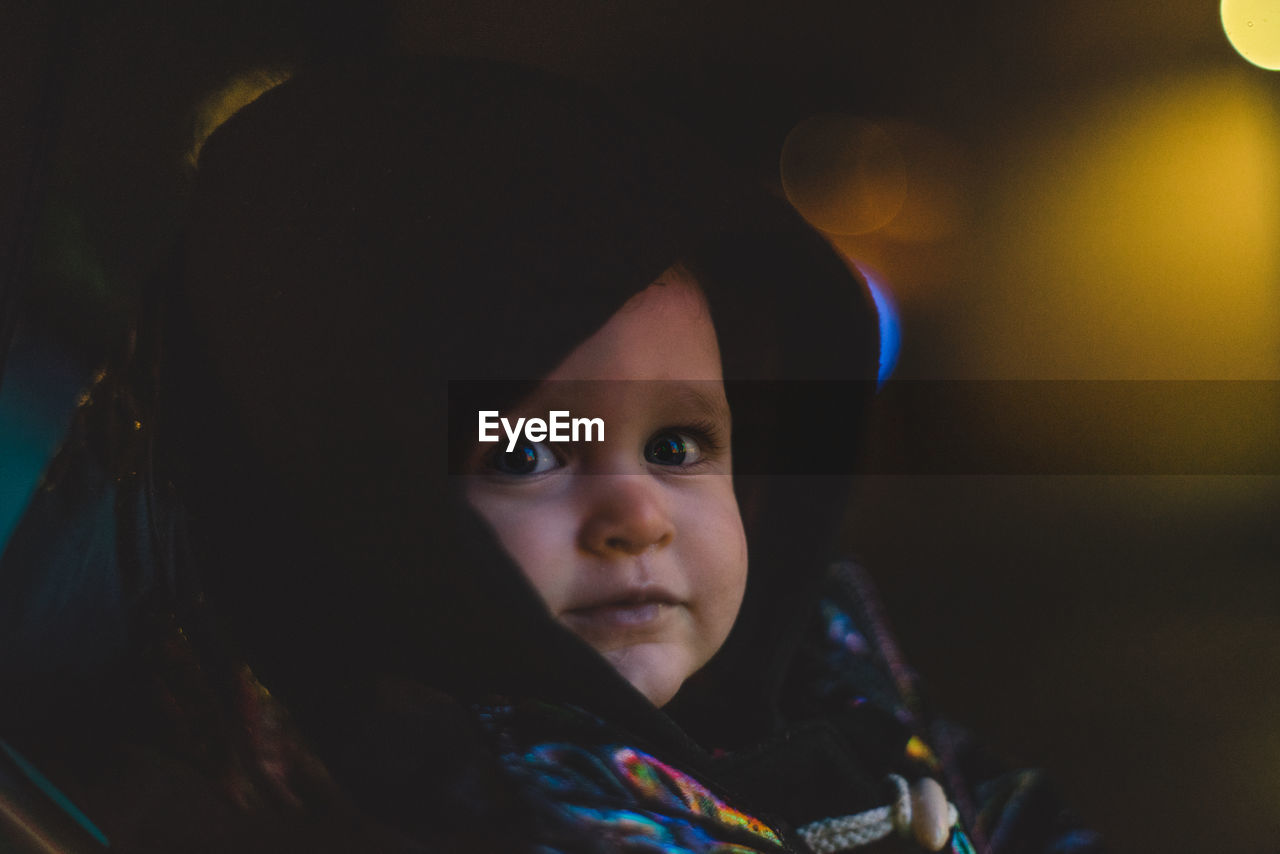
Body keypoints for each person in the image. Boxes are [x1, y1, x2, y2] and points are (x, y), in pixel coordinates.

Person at [1, 57, 1101, 853]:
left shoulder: (830, 680)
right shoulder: (425, 794)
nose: (636, 513)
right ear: (346, 498)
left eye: (678, 443)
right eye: (529, 448)